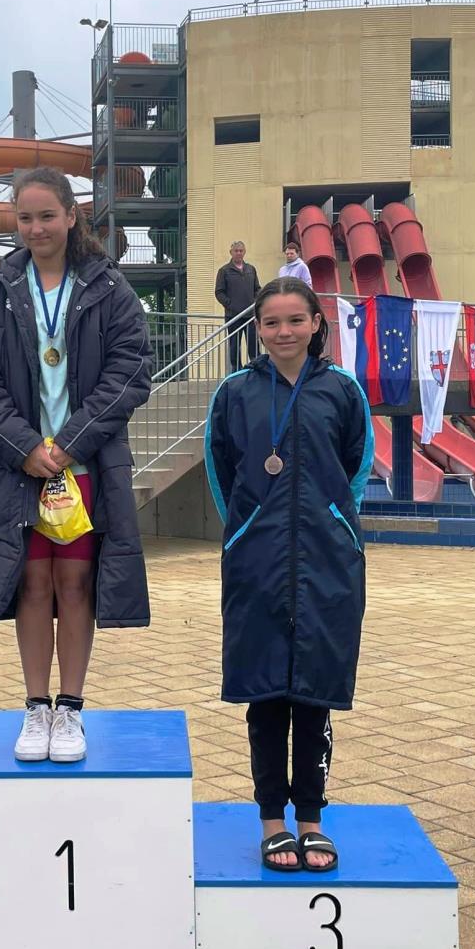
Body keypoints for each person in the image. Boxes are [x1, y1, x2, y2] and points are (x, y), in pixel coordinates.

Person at [0, 166, 153, 763]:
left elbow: (130, 369)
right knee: (32, 583)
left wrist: (69, 442)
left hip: (83, 465)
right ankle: (35, 705)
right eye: (25, 217)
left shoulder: (109, 287)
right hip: (18, 467)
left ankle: (71, 707)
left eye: (47, 215)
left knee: (75, 582)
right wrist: (25, 446)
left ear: (71, 216)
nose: (36, 227)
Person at [204, 278, 373, 871]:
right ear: (257, 328)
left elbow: (356, 467)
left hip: (327, 561)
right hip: (258, 560)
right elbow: (221, 470)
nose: (284, 332)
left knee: (314, 694)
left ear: (316, 324)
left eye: (295, 320)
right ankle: (273, 820)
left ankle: (312, 819)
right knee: (266, 693)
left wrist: (336, 524)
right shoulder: (235, 392)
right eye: (272, 322)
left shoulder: (342, 389)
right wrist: (247, 529)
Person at [215, 241, 260, 371]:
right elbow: (219, 292)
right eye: (236, 251)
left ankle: (257, 368)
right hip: (233, 316)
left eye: (241, 251)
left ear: (244, 252)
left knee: (253, 344)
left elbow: (257, 289)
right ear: (231, 252)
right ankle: (237, 370)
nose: (239, 253)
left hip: (250, 316)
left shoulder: (251, 269)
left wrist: (255, 302)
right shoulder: (224, 270)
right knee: (234, 346)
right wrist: (230, 304)